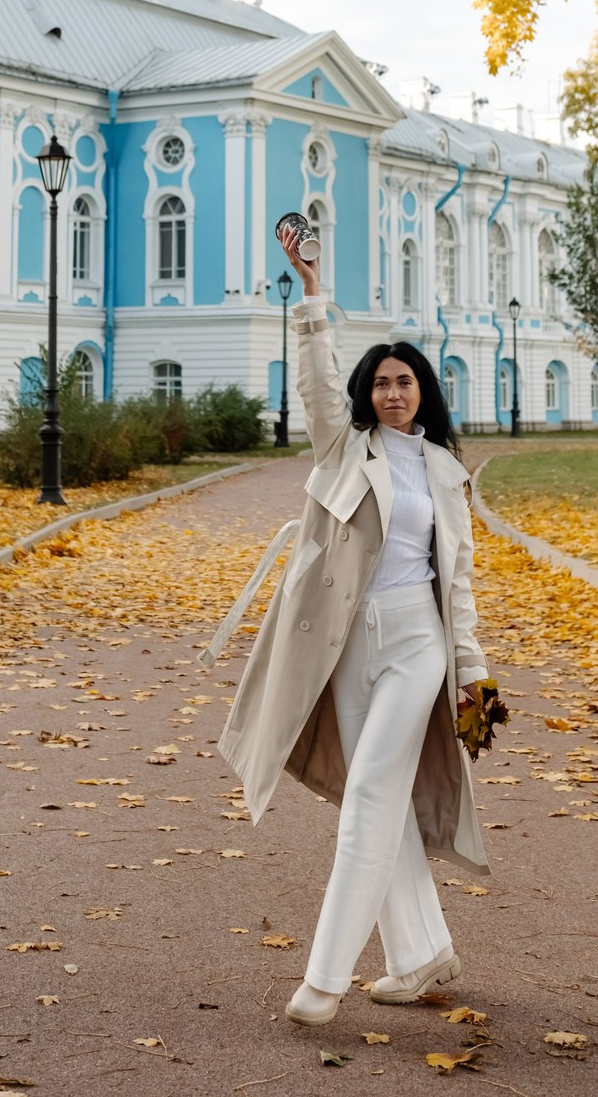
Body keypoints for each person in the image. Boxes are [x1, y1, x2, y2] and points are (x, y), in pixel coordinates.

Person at [213, 222, 491, 1026]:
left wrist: (473, 673)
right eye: (382, 384)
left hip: (416, 642)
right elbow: (315, 382)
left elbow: (458, 584)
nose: (394, 393)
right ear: (367, 394)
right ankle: (421, 953)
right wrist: (311, 295)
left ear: (424, 392)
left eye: (406, 382)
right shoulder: (344, 450)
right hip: (343, 647)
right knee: (378, 798)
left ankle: (324, 981)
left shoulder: (445, 474)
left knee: (370, 790)